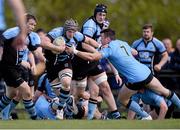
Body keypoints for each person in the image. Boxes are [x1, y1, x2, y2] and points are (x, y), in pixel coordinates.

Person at [66, 28, 180, 120]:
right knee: (166, 92)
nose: (100, 41)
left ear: (107, 39)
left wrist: (74, 51)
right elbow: (134, 52)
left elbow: (92, 57)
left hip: (135, 79)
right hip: (145, 72)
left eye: (101, 38)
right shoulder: (122, 42)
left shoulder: (109, 48)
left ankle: (146, 116)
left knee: (121, 99)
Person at [72, 4, 121, 119]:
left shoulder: (103, 25)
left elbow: (106, 49)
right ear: (95, 14)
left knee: (103, 87)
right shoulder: (90, 25)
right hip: (81, 61)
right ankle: (66, 112)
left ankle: (115, 115)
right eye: (100, 14)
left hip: (93, 61)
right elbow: (84, 43)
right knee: (77, 94)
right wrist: (97, 51)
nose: (102, 17)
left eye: (104, 15)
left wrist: (116, 72)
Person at [41, 18, 99, 114]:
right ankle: (64, 103)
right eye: (69, 31)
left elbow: (88, 40)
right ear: (64, 30)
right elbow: (43, 43)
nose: (71, 34)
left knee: (66, 83)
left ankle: (60, 108)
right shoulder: (56, 33)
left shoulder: (77, 35)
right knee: (60, 96)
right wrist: (57, 48)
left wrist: (99, 46)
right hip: (51, 64)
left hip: (64, 62)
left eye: (73, 31)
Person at [0, 14, 45, 120]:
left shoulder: (27, 37)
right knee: (26, 90)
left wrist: (43, 59)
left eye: (34, 25)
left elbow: (34, 51)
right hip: (8, 67)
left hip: (15, 67)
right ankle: (35, 118)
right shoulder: (12, 32)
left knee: (11, 94)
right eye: (30, 24)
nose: (32, 27)